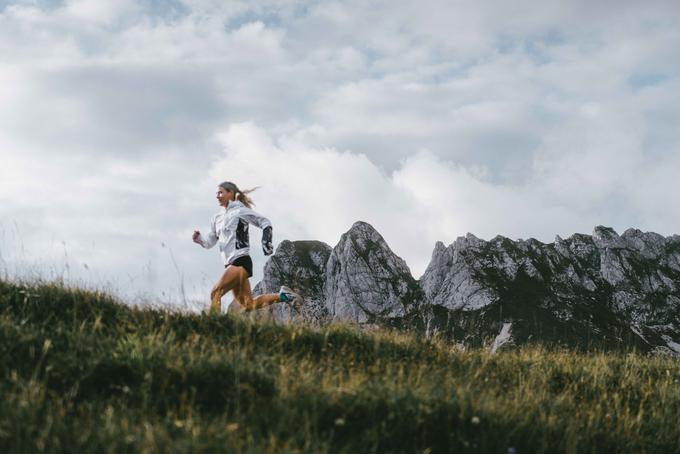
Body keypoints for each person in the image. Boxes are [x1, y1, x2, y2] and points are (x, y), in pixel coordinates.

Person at [192, 181, 301, 314]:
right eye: (216, 194)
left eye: (221, 192)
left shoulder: (240, 211)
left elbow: (265, 222)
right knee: (248, 304)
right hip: (229, 265)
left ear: (230, 193)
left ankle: (213, 325)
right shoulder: (216, 218)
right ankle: (283, 296)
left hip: (240, 261)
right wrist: (199, 240)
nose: (218, 196)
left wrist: (266, 241)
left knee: (216, 292)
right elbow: (210, 242)